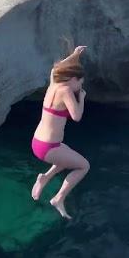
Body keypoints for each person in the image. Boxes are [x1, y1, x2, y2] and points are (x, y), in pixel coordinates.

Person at [31, 45, 89, 219]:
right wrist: (83, 99)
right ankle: (59, 198)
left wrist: (74, 55)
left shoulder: (54, 83)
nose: (79, 86)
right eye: (80, 83)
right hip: (49, 148)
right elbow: (77, 116)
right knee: (84, 166)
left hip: (39, 142)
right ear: (73, 79)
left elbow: (56, 69)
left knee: (67, 156)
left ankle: (44, 178)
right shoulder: (65, 91)